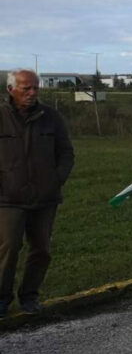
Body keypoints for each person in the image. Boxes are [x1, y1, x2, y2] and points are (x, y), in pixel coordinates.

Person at [0, 70, 74, 315]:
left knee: (41, 249)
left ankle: (30, 295)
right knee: (9, 248)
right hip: (8, 198)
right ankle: (2, 298)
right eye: (26, 88)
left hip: (45, 198)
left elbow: (66, 153)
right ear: (11, 89)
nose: (32, 93)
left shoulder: (51, 117)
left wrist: (56, 180)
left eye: (35, 88)